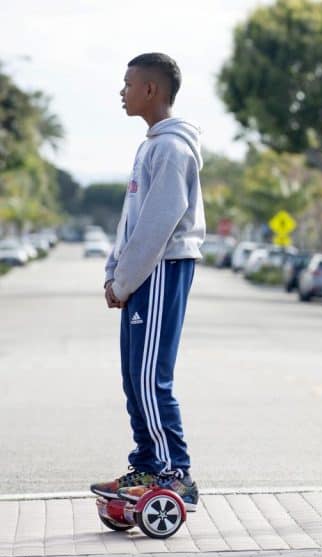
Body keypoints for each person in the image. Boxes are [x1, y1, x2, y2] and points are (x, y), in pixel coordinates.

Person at [90, 53, 205, 511]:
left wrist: (125, 280)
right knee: (133, 377)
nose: (122, 91)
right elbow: (131, 224)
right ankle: (146, 464)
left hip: (163, 270)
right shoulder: (151, 145)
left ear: (151, 90)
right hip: (143, 275)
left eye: (128, 83)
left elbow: (158, 226)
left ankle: (176, 474)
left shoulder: (172, 149)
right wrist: (114, 275)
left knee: (150, 378)